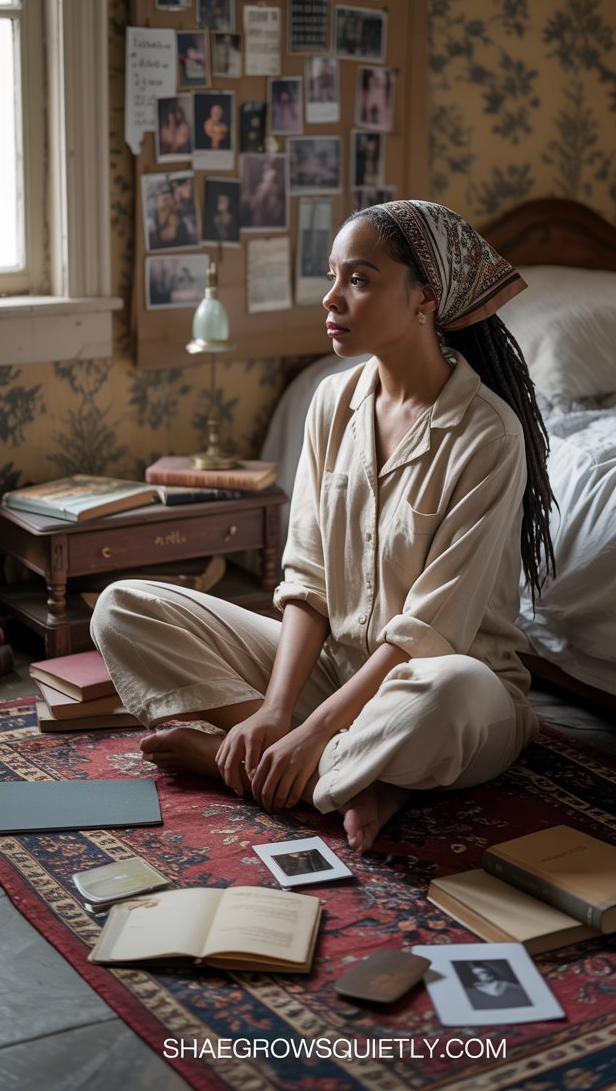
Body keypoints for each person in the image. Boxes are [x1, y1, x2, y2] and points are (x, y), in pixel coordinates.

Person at [91, 200, 554, 854]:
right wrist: (278, 712)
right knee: (123, 607)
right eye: (334, 276)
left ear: (427, 296)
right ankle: (342, 774)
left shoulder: (486, 434)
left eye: (359, 280)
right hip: (332, 672)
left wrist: (314, 730)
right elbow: (306, 578)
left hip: (441, 689)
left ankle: (249, 759)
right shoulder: (331, 402)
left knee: (448, 694)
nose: (332, 299)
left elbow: (430, 634)